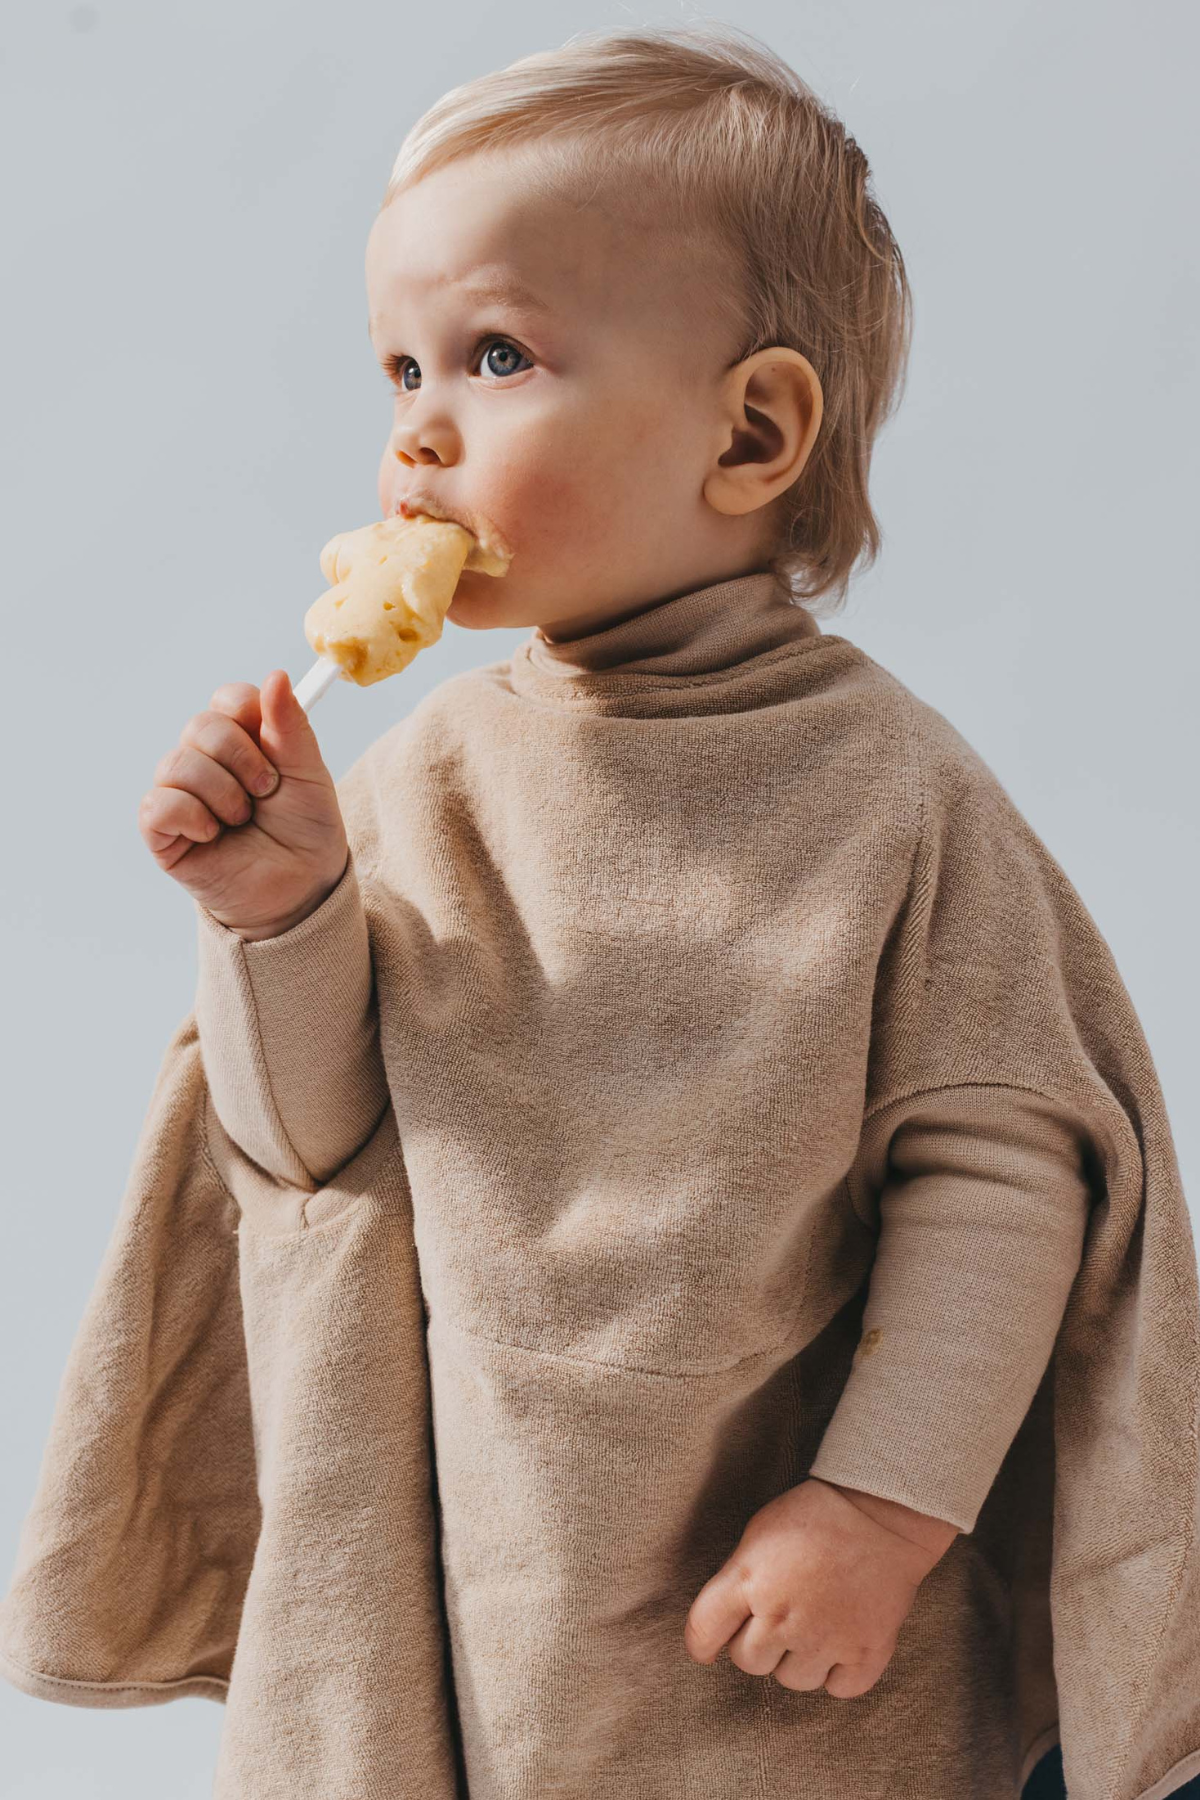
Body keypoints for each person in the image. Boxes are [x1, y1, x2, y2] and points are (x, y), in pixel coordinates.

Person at [133, 23, 1200, 1800]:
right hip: (486, 1566)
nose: (417, 432)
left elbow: (1008, 1173)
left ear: (752, 430)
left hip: (774, 1598)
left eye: (495, 356)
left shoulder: (890, 798)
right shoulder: (414, 785)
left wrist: (878, 1510)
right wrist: (279, 920)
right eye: (399, 369)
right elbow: (313, 1163)